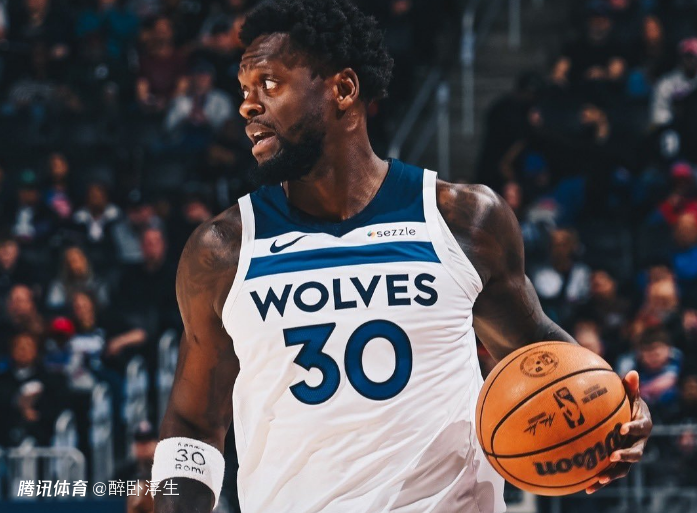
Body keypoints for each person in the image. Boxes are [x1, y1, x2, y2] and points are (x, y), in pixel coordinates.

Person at [154, 2, 653, 512]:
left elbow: (539, 352)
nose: (247, 106)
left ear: (344, 89)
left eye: (269, 83)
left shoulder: (463, 221)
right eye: (244, 89)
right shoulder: (222, 251)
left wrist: (617, 409)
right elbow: (193, 424)